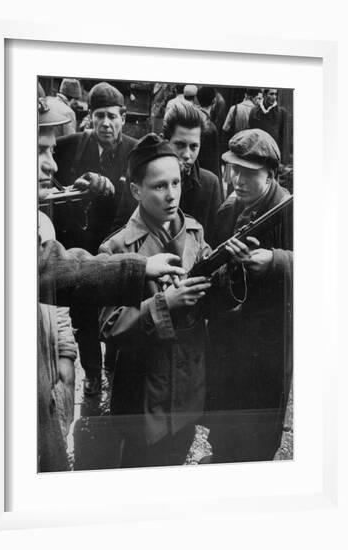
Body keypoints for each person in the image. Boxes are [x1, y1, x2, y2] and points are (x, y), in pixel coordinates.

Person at [37, 98, 185, 472]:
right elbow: (55, 270)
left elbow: (50, 303)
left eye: (176, 183)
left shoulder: (192, 229)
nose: (52, 165)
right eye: (40, 151)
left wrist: (64, 355)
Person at [99, 133, 213, 468]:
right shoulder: (118, 248)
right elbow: (110, 324)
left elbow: (209, 298)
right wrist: (165, 304)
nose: (172, 194)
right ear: (136, 190)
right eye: (159, 186)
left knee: (175, 467)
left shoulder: (194, 233)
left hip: (186, 392)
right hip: (143, 398)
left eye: (176, 182)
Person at [205, 128, 293, 463]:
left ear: (270, 174)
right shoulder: (228, 210)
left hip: (269, 346)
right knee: (224, 421)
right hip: (229, 340)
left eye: (248, 173)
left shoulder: (291, 212)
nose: (237, 179)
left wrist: (277, 261)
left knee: (259, 433)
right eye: (233, 169)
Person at [53, 82, 138, 396]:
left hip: (119, 247)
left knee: (120, 312)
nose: (106, 123)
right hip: (81, 249)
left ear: (123, 117)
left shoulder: (136, 150)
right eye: (99, 115)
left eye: (113, 116)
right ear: (89, 117)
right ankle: (91, 372)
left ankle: (114, 371)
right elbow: (45, 176)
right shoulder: (70, 146)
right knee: (85, 318)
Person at [113, 101, 222, 242]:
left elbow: (215, 240)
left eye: (194, 147)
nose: (187, 155)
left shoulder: (210, 184)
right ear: (164, 141)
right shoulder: (143, 175)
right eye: (180, 145)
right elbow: (122, 229)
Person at [248, 88, 289, 163]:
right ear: (264, 95)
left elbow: (283, 137)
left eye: (275, 94)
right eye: (271, 94)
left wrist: (283, 160)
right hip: (258, 154)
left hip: (273, 155)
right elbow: (250, 135)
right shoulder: (254, 111)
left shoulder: (281, 112)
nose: (274, 97)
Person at [196, 86, 221, 181]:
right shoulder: (210, 127)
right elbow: (213, 162)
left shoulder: (192, 118)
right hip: (205, 176)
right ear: (214, 101)